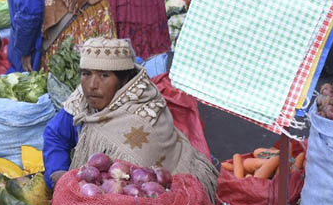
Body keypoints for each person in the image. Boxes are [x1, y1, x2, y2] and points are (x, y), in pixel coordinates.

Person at [42, 37, 216, 195]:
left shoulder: (146, 116)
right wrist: (57, 172)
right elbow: (56, 135)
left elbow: (143, 187)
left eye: (104, 75)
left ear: (123, 81)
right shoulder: (82, 100)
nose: (92, 85)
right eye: (87, 74)